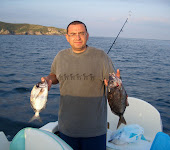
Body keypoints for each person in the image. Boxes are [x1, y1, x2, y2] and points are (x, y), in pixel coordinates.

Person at [41, 21, 119, 150]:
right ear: (67, 37)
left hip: (95, 130)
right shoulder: (60, 56)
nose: (77, 37)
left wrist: (115, 83)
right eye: (73, 34)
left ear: (87, 35)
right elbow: (55, 75)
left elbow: (111, 80)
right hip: (66, 128)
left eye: (81, 33)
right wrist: (49, 79)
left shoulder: (101, 56)